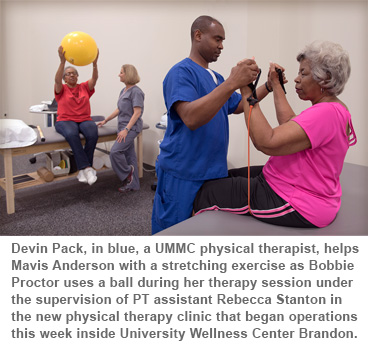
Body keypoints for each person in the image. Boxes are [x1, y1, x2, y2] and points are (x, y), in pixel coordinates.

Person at [193, 40, 357, 228]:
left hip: (296, 202)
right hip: (285, 181)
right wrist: (276, 85)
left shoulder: (325, 113)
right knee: (223, 176)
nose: (297, 79)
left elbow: (266, 142)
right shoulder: (334, 108)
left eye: (303, 73)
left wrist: (246, 88)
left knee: (206, 192)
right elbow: (289, 124)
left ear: (325, 79)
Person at [151, 15, 262, 234]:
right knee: (174, 233)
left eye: (223, 41)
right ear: (198, 35)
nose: (221, 46)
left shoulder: (217, 78)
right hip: (183, 172)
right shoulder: (181, 72)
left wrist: (268, 84)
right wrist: (233, 82)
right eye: (217, 39)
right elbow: (191, 118)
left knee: (203, 232)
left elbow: (239, 105)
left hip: (213, 171)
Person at [54, 46, 99, 185]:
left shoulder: (85, 87)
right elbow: (56, 80)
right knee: (72, 134)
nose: (71, 75)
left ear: (77, 76)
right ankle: (87, 168)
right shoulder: (61, 89)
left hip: (84, 119)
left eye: (74, 73)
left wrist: (95, 64)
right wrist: (62, 62)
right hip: (65, 120)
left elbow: (95, 79)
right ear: (65, 78)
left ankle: (82, 170)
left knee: (92, 134)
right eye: (68, 74)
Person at [97, 64, 144, 192]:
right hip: (122, 126)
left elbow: (137, 113)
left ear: (128, 74)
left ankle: (128, 172)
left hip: (130, 128)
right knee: (130, 156)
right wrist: (105, 120)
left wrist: (126, 130)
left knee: (115, 152)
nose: (119, 74)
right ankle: (133, 184)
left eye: (121, 72)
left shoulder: (136, 92)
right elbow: (119, 109)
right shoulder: (123, 91)